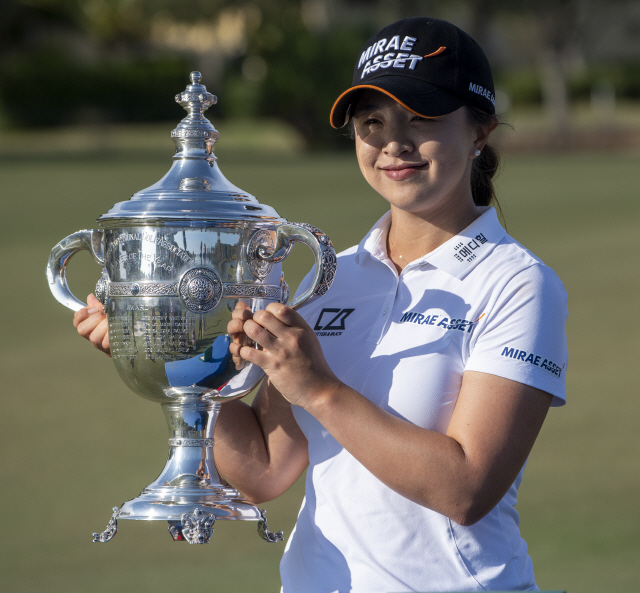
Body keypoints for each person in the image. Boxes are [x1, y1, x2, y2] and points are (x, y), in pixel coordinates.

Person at [74, 17, 568, 593]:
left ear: (480, 131)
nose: (394, 143)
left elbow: (466, 489)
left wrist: (316, 387)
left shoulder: (517, 283)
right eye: (372, 123)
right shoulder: (333, 279)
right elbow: (262, 470)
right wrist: (167, 351)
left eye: (423, 118)